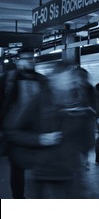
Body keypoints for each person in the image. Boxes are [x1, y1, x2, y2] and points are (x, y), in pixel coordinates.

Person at [4, 63, 96, 198]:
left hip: (71, 172)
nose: (69, 82)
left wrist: (87, 122)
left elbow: (88, 142)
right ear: (54, 79)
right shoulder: (38, 101)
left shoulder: (80, 101)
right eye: (65, 78)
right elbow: (11, 130)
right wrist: (40, 139)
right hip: (44, 173)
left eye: (71, 78)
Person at [0, 48, 48, 199]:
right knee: (17, 168)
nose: (30, 61)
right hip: (16, 132)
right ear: (18, 61)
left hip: (39, 131)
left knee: (41, 167)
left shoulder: (42, 80)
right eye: (26, 59)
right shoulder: (7, 80)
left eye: (32, 59)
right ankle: (18, 200)